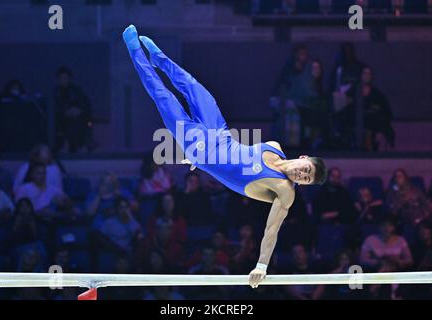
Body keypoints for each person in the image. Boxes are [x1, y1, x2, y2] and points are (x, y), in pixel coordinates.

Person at [123, 25, 327, 288]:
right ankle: (158, 55)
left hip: (197, 145)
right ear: (303, 157)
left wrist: (261, 265)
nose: (302, 175)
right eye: (306, 169)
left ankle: (134, 50)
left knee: (163, 95)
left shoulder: (284, 190)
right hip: (218, 130)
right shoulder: (274, 145)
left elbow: (271, 230)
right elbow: (235, 156)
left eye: (306, 179)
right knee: (190, 84)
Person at [54, 66, 93, 153]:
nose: (63, 80)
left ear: (69, 78)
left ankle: (78, 146)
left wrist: (78, 111)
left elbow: (85, 104)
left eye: (65, 78)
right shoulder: (55, 92)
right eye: (61, 78)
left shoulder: (77, 91)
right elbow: (54, 108)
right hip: (61, 120)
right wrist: (65, 112)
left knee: (78, 123)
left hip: (77, 118)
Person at [360, 66, 394, 151]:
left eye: (369, 74)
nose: (367, 76)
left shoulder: (378, 95)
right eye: (365, 73)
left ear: (372, 77)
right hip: (358, 128)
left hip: (375, 129)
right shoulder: (355, 93)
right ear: (361, 75)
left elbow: (386, 114)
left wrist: (380, 131)